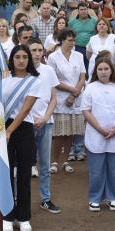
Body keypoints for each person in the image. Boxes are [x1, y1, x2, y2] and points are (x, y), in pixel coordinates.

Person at [1, 44, 40, 231]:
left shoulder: (34, 81)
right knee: (6, 174)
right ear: (12, 59)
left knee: (24, 174)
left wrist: (9, 131)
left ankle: (23, 216)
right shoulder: (2, 79)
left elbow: (25, 109)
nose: (21, 60)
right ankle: (7, 216)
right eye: (18, 57)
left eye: (25, 57)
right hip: (4, 128)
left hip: (24, 129)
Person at [80, 57, 115, 212]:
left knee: (113, 170)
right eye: (100, 69)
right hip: (96, 135)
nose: (103, 72)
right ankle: (95, 198)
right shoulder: (90, 88)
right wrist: (100, 129)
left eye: (106, 69)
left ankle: (113, 197)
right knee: (96, 170)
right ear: (96, 71)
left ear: (111, 71)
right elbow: (86, 110)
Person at [28, 39, 60, 214]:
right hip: (25, 123)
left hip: (45, 123)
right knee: (23, 163)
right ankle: (20, 198)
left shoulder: (48, 71)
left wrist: (46, 117)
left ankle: (45, 198)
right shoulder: (21, 71)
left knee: (45, 163)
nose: (37, 53)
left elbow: (53, 97)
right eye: (33, 50)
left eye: (40, 50)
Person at [48, 29, 86, 174]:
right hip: (60, 99)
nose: (73, 43)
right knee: (59, 134)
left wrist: (74, 94)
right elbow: (54, 80)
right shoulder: (53, 57)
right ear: (62, 40)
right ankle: (55, 161)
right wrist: (72, 91)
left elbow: (82, 77)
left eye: (73, 40)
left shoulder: (79, 56)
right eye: (70, 40)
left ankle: (65, 161)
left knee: (70, 133)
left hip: (75, 99)